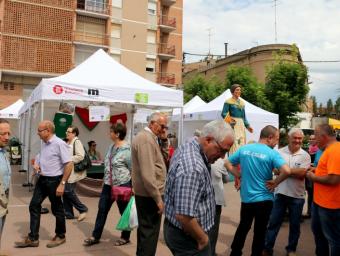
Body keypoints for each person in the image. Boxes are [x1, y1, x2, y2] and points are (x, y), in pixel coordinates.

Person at [164, 120, 235, 256]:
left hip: (181, 231)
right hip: (188, 237)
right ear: (208, 140)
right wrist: (203, 239)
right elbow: (184, 216)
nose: (222, 157)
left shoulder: (192, 143)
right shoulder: (193, 168)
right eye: (222, 151)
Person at [224, 125, 291, 256]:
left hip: (247, 198)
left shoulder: (244, 149)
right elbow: (287, 171)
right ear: (269, 137)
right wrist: (275, 182)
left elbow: (227, 163)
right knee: (260, 231)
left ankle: (235, 252)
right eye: (276, 139)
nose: (277, 142)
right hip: (265, 199)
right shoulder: (272, 153)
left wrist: (238, 175)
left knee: (243, 227)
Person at [14, 120, 73, 248]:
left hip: (55, 181)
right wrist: (37, 164)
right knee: (34, 205)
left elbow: (69, 164)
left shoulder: (59, 144)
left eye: (39, 131)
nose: (37, 133)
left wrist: (62, 183)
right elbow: (41, 157)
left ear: (48, 131)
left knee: (57, 209)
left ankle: (60, 235)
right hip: (43, 180)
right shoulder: (45, 144)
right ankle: (33, 238)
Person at [263, 128, 311, 256]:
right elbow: (274, 169)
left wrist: (284, 170)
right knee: (273, 223)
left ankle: (291, 250)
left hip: (297, 196)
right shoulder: (279, 152)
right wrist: (292, 171)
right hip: (280, 193)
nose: (297, 140)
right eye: (295, 138)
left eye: (300, 138)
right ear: (289, 138)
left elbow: (302, 174)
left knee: (295, 226)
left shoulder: (305, 155)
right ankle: (268, 249)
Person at [84, 122, 132, 247]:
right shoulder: (111, 146)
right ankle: (95, 236)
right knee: (102, 210)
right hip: (108, 185)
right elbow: (108, 166)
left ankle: (125, 237)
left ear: (117, 134)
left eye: (111, 131)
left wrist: (133, 187)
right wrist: (105, 181)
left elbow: (134, 169)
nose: (109, 133)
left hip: (122, 184)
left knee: (124, 211)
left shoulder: (128, 150)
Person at [131, 112, 168, 256]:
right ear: (152, 123)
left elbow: (164, 161)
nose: (164, 129)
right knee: (149, 235)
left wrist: (164, 141)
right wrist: (158, 199)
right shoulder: (146, 139)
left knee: (146, 233)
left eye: (166, 126)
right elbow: (147, 174)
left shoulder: (150, 138)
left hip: (148, 193)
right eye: (162, 126)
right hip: (149, 195)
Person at [306, 124, 340, 256]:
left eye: (316, 137)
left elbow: (334, 179)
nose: (314, 141)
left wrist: (313, 177)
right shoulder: (329, 150)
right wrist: (317, 170)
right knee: (319, 234)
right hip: (321, 203)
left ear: (324, 136)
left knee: (333, 239)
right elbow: (329, 171)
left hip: (330, 205)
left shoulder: (335, 150)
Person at [63, 126, 88, 221]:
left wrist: (69, 159)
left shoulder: (76, 141)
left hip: (72, 170)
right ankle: (68, 213)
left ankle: (82, 209)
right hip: (66, 170)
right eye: (67, 131)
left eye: (69, 131)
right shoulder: (67, 141)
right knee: (65, 192)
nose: (67, 133)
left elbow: (81, 156)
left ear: (74, 133)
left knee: (68, 191)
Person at [221, 84, 253, 154]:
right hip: (233, 124)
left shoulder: (242, 103)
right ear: (233, 92)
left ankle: (240, 158)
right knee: (235, 141)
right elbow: (223, 113)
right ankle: (233, 158)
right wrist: (230, 121)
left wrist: (248, 126)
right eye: (237, 90)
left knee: (241, 140)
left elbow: (244, 117)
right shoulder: (228, 101)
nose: (239, 91)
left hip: (241, 124)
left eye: (240, 90)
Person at [210, 156, 230, 256]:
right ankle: (211, 252)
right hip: (216, 199)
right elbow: (226, 179)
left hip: (203, 199)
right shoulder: (221, 162)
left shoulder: (201, 159)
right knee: (214, 228)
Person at [0, 119, 11, 246]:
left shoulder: (4, 152)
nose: (7, 137)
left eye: (8, 133)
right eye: (3, 134)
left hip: (3, 201)